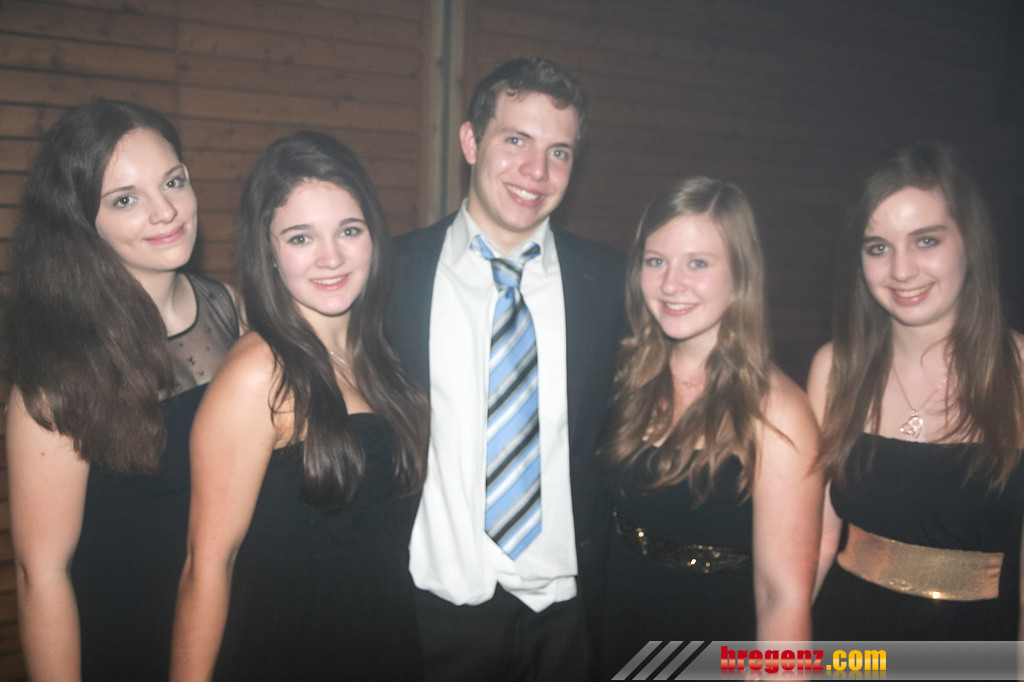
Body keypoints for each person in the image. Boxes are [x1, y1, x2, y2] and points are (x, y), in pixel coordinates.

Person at [384, 57, 625, 680]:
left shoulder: (612, 286)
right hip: (430, 613)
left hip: (568, 618)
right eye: (516, 140)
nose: (536, 171)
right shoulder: (390, 277)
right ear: (471, 142)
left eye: (559, 152)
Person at [172, 131, 428, 680]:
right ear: (268, 252)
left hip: (385, 642)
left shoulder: (379, 354)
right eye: (300, 237)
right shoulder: (258, 373)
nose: (331, 257)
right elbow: (206, 566)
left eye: (349, 230)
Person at [3, 100, 240, 680]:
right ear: (82, 222)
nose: (166, 211)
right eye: (125, 200)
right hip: (129, 641)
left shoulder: (233, 309)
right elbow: (42, 575)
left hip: (235, 627)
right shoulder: (59, 376)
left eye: (173, 182)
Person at [599, 177, 821, 673]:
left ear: (741, 273)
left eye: (697, 263)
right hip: (611, 633)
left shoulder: (777, 412)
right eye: (656, 261)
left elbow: (782, 596)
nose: (670, 284)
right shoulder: (627, 373)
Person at [809, 142, 1024, 640]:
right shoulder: (835, 368)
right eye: (878, 248)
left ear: (970, 242)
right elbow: (815, 543)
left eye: (926, 241)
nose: (901, 271)